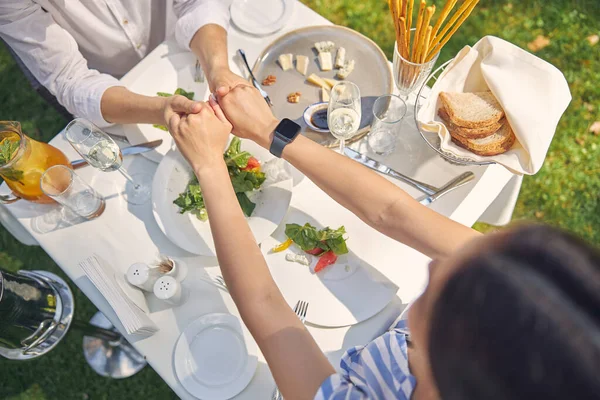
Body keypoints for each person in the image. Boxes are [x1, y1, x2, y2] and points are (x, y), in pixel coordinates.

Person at [166, 87, 600, 399]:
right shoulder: (525, 296)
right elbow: (395, 212)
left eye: (438, 292)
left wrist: (208, 165)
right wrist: (268, 130)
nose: (433, 265)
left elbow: (263, 304)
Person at [0, 1, 246, 129]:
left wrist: (219, 69)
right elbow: (69, 79)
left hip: (185, 43)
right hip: (110, 88)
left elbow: (196, 2)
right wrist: (162, 111)